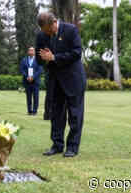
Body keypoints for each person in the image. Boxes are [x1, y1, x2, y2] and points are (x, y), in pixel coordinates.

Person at [35, 12, 87, 157]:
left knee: (75, 115)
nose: (46, 33)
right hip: (55, 81)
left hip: (74, 79)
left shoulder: (71, 30)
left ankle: (72, 147)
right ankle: (57, 145)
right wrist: (44, 59)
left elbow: (76, 53)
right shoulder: (41, 35)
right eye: (43, 31)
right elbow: (39, 60)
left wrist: (54, 57)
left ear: (53, 23)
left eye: (47, 30)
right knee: (56, 114)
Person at [20, 47, 43, 115]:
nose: (31, 51)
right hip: (27, 81)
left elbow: (40, 70)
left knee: (36, 97)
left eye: (32, 50)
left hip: (35, 81)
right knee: (28, 97)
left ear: (35, 52)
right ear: (28, 52)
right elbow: (22, 69)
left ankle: (35, 111)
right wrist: (27, 77)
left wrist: (33, 77)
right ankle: (29, 111)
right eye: (30, 50)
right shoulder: (24, 60)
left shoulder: (39, 60)